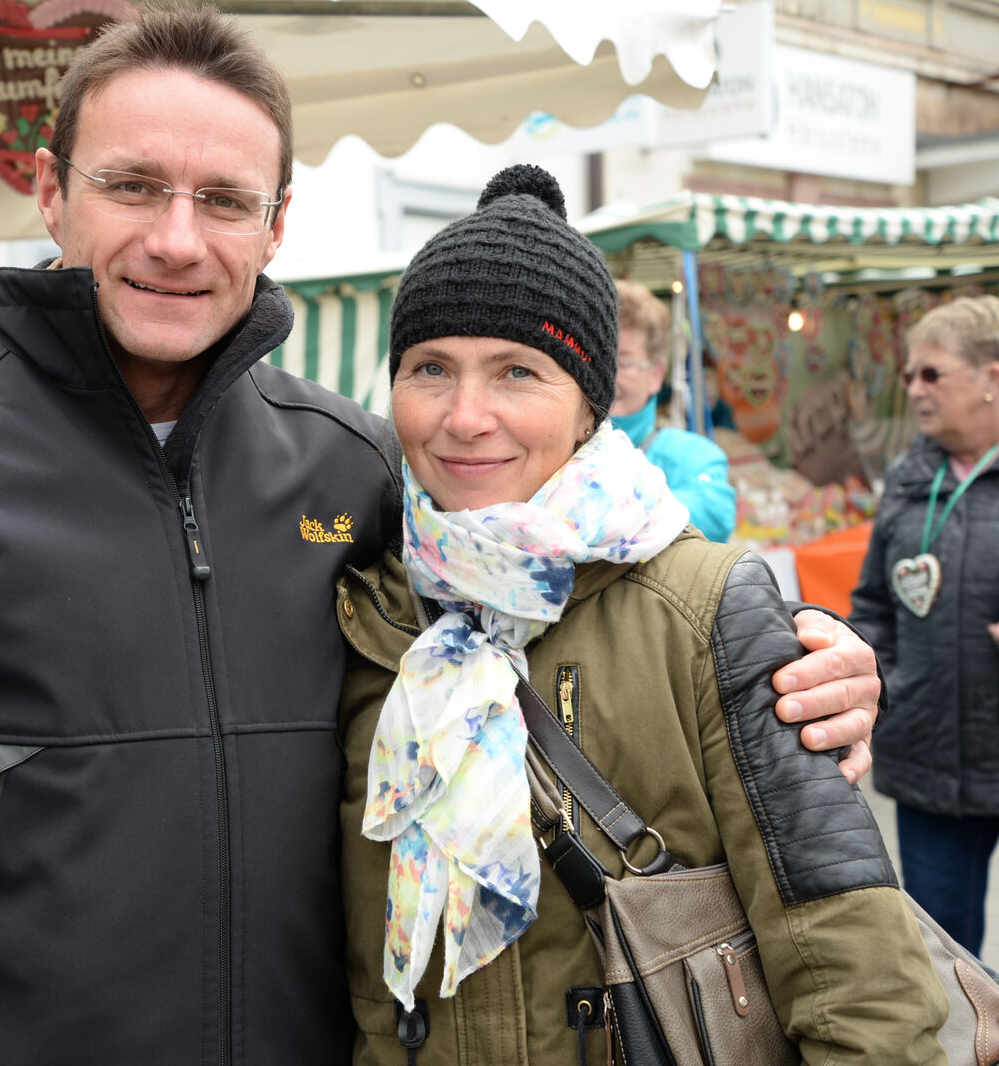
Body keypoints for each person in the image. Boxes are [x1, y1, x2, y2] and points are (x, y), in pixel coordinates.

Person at [0, 5, 880, 1066]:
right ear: (48, 189)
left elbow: (548, 624)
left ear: (277, 223)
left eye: (224, 201)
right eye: (133, 186)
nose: (177, 239)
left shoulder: (348, 465)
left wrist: (802, 670)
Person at [336, 166, 945, 1064]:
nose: (465, 416)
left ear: (591, 403)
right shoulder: (362, 604)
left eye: (517, 372)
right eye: (431, 369)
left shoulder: (704, 607)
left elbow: (850, 963)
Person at [850, 294, 999, 956]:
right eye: (910, 374)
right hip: (928, 757)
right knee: (945, 955)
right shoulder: (909, 479)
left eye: (932, 373)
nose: (914, 389)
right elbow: (873, 606)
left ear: (991, 376)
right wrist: (887, 687)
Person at [610, 278, 736, 540]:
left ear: (656, 374)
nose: (607, 377)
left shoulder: (692, 455)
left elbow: (716, 515)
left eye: (623, 363)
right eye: (597, 361)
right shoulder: (554, 448)